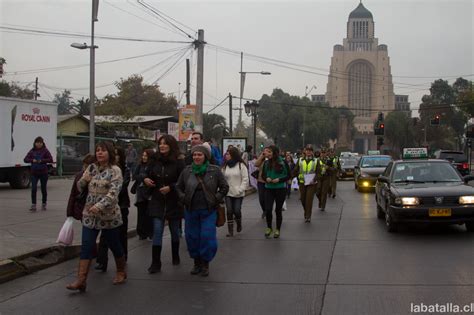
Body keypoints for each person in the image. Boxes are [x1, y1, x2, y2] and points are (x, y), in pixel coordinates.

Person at [66, 141, 126, 292]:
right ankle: (81, 280)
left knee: (114, 244)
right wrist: (84, 178)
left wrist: (99, 206)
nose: (99, 153)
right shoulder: (92, 168)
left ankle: (121, 271)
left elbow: (113, 194)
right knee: (87, 245)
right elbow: (79, 187)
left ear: (109, 153)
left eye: (103, 150)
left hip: (108, 216)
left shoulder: (115, 170)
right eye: (98, 150)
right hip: (89, 215)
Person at [176, 144, 229, 277]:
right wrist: (183, 198)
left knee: (207, 236)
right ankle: (196, 262)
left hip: (208, 210)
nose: (196, 157)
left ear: (205, 156)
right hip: (191, 209)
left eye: (199, 154)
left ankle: (205, 263)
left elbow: (224, 187)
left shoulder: (215, 170)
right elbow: (178, 187)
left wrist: (216, 199)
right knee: (192, 237)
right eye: (194, 154)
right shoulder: (187, 171)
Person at [144, 135, 185, 273]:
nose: (162, 146)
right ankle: (156, 262)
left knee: (174, 231)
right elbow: (145, 174)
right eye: (160, 143)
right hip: (157, 200)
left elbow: (182, 181)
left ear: (171, 145)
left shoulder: (179, 162)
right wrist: (146, 179)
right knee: (157, 230)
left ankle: (175, 255)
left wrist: (171, 187)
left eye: (165, 144)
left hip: (174, 201)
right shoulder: (154, 160)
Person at [95, 146, 130, 272]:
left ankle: (123, 258)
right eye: (113, 154)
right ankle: (101, 261)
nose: (115, 156)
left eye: (117, 154)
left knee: (121, 235)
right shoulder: (102, 169)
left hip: (121, 205)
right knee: (104, 235)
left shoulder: (124, 170)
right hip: (105, 207)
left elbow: (121, 187)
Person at [261, 145, 291, 239]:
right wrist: (267, 178)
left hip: (280, 189)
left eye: (269, 152)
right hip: (269, 188)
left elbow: (288, 175)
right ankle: (269, 227)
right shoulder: (266, 163)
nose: (267, 154)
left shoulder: (283, 162)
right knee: (268, 209)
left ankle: (277, 229)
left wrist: (279, 180)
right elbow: (263, 175)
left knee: (278, 210)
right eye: (267, 152)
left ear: (275, 153)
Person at [222, 147, 249, 237]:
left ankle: (239, 223)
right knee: (229, 211)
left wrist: (240, 189)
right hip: (228, 192)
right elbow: (222, 179)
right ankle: (230, 231)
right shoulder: (225, 166)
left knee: (237, 210)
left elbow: (245, 179)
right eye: (226, 154)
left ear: (233, 155)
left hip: (238, 193)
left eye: (228, 154)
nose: (226, 156)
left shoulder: (241, 165)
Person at [23, 136, 53, 212]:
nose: (39, 144)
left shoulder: (45, 151)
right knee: (33, 189)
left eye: (40, 142)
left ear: (42, 143)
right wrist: (32, 160)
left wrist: (42, 160)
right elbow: (25, 159)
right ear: (35, 143)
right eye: (37, 142)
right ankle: (33, 205)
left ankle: (44, 203)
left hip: (43, 173)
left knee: (43, 189)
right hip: (34, 173)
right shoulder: (32, 151)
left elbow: (50, 159)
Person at [132, 149, 155, 240]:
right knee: (141, 214)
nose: (144, 157)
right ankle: (142, 233)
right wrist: (143, 177)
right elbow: (135, 176)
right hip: (140, 193)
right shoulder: (140, 165)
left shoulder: (153, 166)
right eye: (143, 155)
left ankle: (150, 233)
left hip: (149, 193)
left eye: (146, 156)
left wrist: (143, 177)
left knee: (149, 214)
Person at [66, 154, 96, 221]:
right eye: (85, 166)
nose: (86, 169)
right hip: (82, 209)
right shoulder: (79, 176)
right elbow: (73, 194)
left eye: (88, 167)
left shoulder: (98, 177)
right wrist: (70, 212)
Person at [292, 147, 317, 222]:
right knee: (303, 199)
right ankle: (306, 211)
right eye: (307, 150)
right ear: (305, 152)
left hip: (311, 183)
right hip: (302, 183)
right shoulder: (300, 160)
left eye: (310, 151)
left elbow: (318, 172)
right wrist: (290, 178)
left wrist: (314, 179)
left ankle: (308, 216)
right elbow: (295, 170)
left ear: (312, 152)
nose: (308, 152)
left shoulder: (316, 161)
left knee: (309, 200)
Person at [254, 150, 269, 219]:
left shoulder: (271, 159)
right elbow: (256, 164)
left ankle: (268, 210)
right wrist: (262, 156)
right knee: (261, 199)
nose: (265, 152)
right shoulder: (262, 159)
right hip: (261, 181)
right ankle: (264, 210)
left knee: (268, 198)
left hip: (269, 182)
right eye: (264, 151)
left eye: (267, 151)